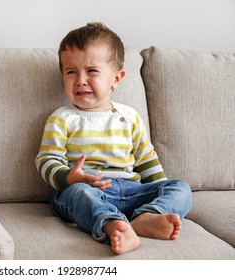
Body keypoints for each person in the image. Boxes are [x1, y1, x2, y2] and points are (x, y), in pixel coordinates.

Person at [35, 22, 192, 255]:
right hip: (88, 190)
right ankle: (112, 225)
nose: (80, 80)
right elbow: (46, 159)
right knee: (78, 195)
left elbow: (147, 160)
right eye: (71, 72)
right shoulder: (62, 118)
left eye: (91, 71)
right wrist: (69, 177)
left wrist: (158, 187)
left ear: (116, 79)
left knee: (181, 188)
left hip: (132, 192)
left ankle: (147, 216)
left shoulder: (129, 117)